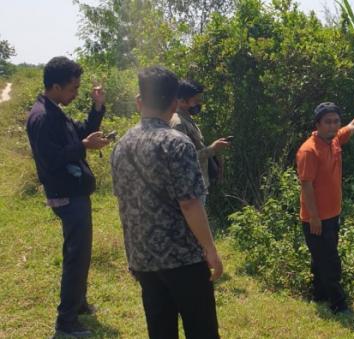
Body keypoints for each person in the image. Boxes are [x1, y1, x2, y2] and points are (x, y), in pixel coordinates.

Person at [111, 66, 223, 339]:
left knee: (160, 331)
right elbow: (189, 203)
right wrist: (210, 250)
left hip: (143, 258)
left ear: (140, 100)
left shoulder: (122, 144)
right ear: (174, 103)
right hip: (182, 258)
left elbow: (123, 202)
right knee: (202, 330)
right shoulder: (176, 143)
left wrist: (132, 255)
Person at [26, 56, 108, 337]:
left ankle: (79, 303)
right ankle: (66, 322)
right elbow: (51, 160)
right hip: (65, 194)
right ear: (57, 86)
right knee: (77, 256)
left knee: (79, 253)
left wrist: (96, 109)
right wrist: (83, 146)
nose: (75, 93)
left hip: (74, 192)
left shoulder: (54, 110)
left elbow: (79, 131)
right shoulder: (42, 117)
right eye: (73, 88)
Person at [296, 96, 354, 314]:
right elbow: (306, 186)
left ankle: (318, 295)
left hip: (332, 215)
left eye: (336, 121)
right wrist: (315, 218)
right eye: (328, 121)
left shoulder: (335, 140)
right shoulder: (309, 150)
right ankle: (339, 304)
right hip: (315, 219)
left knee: (321, 259)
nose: (333, 125)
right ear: (317, 124)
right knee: (331, 262)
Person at [169, 80, 230, 204]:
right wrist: (212, 149)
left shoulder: (186, 118)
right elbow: (184, 160)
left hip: (199, 182)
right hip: (192, 187)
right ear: (182, 100)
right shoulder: (178, 123)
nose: (199, 104)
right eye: (196, 100)